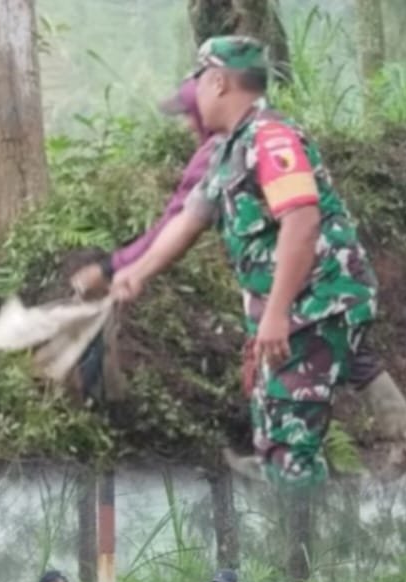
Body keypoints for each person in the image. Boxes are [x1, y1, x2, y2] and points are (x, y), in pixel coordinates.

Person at [110, 38, 388, 488]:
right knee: (274, 429)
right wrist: (135, 274)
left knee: (290, 448)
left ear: (218, 81)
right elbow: (189, 220)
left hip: (318, 303)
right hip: (291, 309)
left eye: (198, 83)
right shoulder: (227, 150)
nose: (195, 97)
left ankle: (306, 546)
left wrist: (275, 313)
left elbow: (301, 220)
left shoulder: (270, 138)